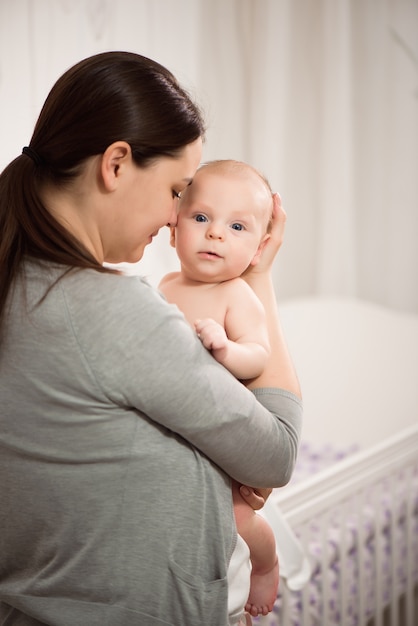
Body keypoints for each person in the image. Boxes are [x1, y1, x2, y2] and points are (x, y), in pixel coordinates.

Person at [0, 51, 302, 626]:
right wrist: (257, 275)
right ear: (116, 164)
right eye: (176, 191)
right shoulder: (108, 309)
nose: (174, 219)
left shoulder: (19, 281)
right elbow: (276, 452)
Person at [159, 159, 281, 618]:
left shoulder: (237, 295)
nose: (215, 234)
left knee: (235, 516)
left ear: (257, 249)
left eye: (236, 226)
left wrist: (226, 349)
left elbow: (259, 353)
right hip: (177, 431)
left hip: (221, 435)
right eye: (201, 218)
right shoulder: (165, 286)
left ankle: (266, 562)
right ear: (173, 229)